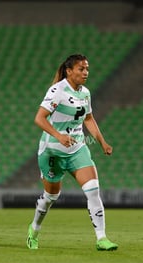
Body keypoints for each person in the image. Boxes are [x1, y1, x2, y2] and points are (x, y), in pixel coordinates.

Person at [27, 54, 118, 251]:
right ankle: (34, 229)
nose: (86, 72)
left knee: (93, 190)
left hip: (77, 149)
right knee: (51, 197)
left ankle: (101, 239)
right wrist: (59, 136)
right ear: (69, 71)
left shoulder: (85, 93)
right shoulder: (57, 91)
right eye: (81, 69)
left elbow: (88, 119)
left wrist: (102, 142)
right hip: (52, 151)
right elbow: (39, 119)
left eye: (87, 69)